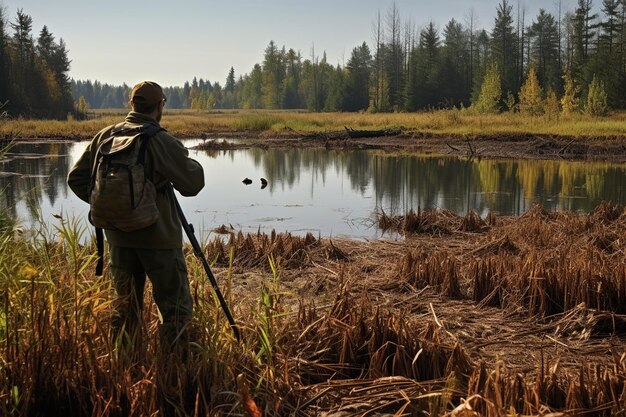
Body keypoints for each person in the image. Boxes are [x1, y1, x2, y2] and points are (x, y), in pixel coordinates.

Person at [67, 81, 205, 355]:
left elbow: (77, 179)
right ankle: (174, 370)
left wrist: (113, 207)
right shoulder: (158, 140)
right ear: (159, 107)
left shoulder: (105, 136)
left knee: (124, 310)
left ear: (131, 105)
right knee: (175, 311)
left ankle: (125, 368)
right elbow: (193, 184)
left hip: (118, 239)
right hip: (159, 240)